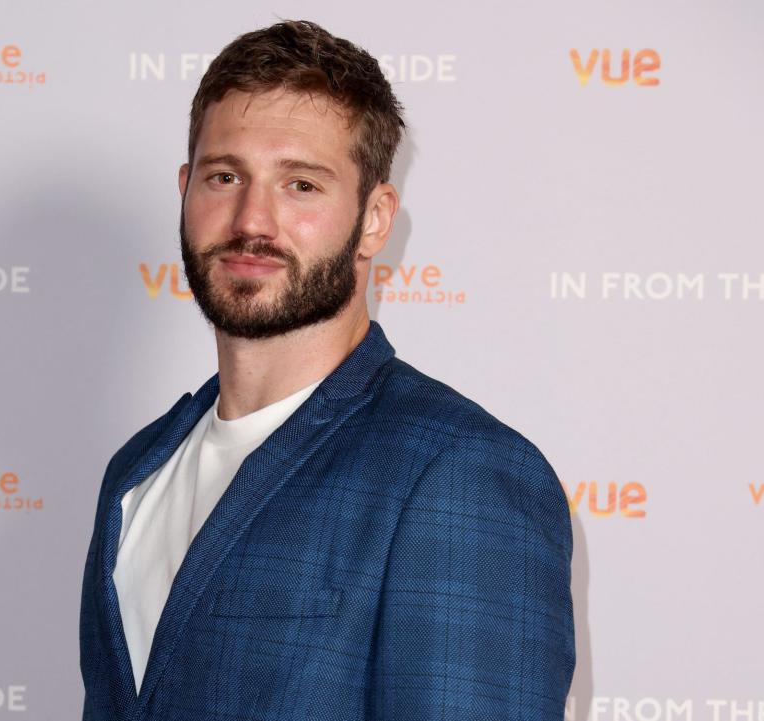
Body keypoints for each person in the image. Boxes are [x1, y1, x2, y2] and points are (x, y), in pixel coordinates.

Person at [80, 19, 574, 721]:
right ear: (186, 190)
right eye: (225, 177)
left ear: (374, 219)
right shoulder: (136, 472)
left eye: (301, 185)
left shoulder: (458, 471)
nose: (253, 220)